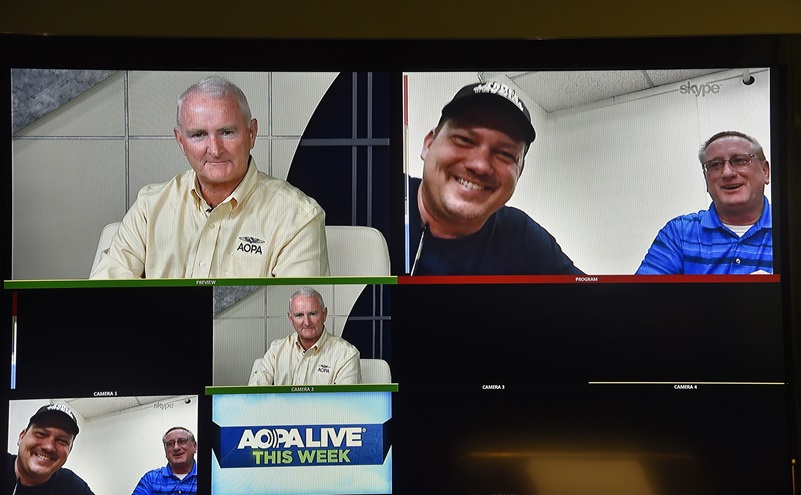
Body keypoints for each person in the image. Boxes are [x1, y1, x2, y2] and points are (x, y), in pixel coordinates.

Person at [90, 75, 330, 279]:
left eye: (227, 132)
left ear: (252, 133)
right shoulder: (149, 207)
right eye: (198, 135)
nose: (215, 149)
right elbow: (105, 298)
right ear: (180, 141)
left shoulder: (299, 217)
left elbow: (294, 313)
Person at [408, 80, 582, 275]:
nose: (480, 165)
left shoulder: (522, 238)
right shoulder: (372, 190)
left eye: (505, 154)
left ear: (519, 172)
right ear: (428, 144)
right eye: (464, 140)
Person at [636, 131, 772, 274]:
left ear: (765, 171)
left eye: (739, 160)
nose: (727, 173)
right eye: (715, 165)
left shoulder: (793, 229)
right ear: (706, 179)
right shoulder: (680, 233)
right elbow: (643, 295)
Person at [249, 287, 361, 385]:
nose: (307, 322)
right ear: (290, 318)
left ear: (324, 314)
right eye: (299, 315)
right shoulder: (276, 350)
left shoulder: (347, 355)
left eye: (312, 314)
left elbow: (345, 404)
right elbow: (255, 395)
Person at [6, 403, 94, 494]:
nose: (49, 447)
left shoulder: (72, 485)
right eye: (41, 434)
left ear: (69, 450)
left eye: (62, 441)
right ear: (22, 437)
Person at [132, 427, 198, 495]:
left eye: (182, 441)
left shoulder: (208, 476)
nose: (176, 448)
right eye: (170, 444)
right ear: (165, 451)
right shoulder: (151, 479)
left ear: (194, 446)